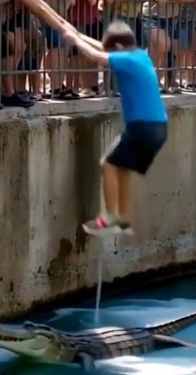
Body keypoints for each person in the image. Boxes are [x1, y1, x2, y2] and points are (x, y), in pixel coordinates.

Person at [47, 21, 168, 236]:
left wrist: (74, 40)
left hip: (142, 126)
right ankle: (123, 219)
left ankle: (110, 217)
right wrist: (79, 34)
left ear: (119, 48)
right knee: (123, 168)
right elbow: (104, 50)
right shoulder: (140, 55)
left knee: (108, 164)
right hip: (159, 127)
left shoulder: (126, 59)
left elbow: (97, 57)